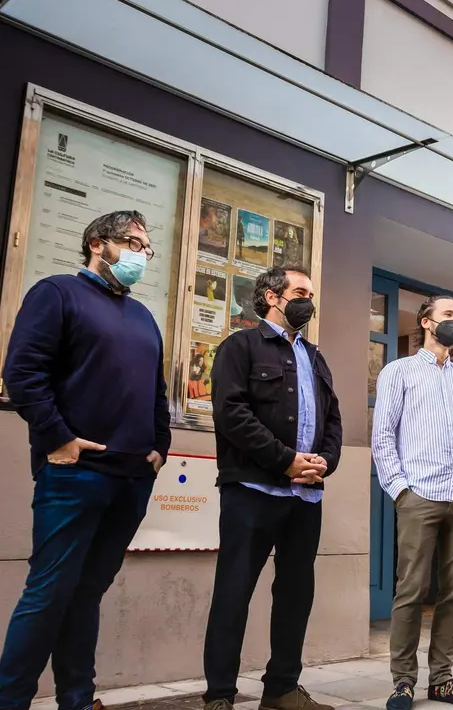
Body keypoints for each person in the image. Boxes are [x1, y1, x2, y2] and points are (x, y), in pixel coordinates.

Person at [0, 210, 169, 710]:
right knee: (49, 591)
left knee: (87, 591)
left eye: (146, 247)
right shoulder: (56, 293)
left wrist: (158, 449)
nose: (140, 254)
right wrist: (60, 439)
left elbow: (157, 394)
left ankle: (78, 698)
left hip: (133, 477)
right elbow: (23, 373)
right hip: (75, 474)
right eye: (131, 242)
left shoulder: (142, 316)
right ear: (97, 243)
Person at [202, 266, 342, 710]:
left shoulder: (316, 358)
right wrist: (285, 461)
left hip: (306, 496)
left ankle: (281, 688)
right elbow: (231, 414)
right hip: (252, 489)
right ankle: (220, 695)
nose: (309, 302)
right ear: (271, 296)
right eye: (300, 292)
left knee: (296, 596)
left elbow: (333, 421)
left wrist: (324, 464)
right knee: (233, 592)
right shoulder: (239, 347)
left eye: (311, 294)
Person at [372, 296, 453, 710]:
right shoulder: (398, 372)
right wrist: (400, 489)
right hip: (419, 493)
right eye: (448, 315)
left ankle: (442, 679)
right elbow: (383, 435)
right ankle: (402, 681)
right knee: (410, 590)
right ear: (426, 322)